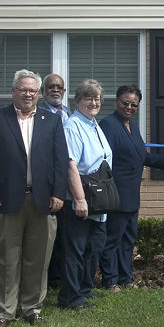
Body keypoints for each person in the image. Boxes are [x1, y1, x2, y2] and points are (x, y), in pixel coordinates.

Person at [0, 70, 70, 327]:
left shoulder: (51, 121)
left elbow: (60, 161)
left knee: (38, 259)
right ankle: (4, 311)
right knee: (6, 258)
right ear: (13, 91)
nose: (28, 94)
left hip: (43, 201)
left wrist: (58, 193)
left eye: (32, 90)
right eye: (23, 89)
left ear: (38, 94)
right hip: (6, 201)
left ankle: (32, 308)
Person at [98, 84, 164, 291]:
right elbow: (104, 161)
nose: (129, 107)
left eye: (134, 105)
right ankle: (110, 280)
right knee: (112, 240)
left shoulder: (133, 127)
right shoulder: (109, 125)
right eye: (125, 103)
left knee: (128, 239)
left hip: (132, 194)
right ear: (117, 102)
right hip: (116, 193)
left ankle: (125, 278)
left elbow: (142, 157)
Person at [58, 79, 112, 310]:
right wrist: (79, 200)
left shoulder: (93, 124)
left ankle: (85, 289)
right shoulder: (73, 126)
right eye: (88, 98)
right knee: (76, 251)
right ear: (78, 101)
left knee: (94, 247)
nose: (94, 102)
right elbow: (71, 165)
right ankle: (70, 297)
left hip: (98, 200)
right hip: (81, 198)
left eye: (97, 98)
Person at [40, 73, 69, 292]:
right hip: (50, 184)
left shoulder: (69, 114)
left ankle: (61, 278)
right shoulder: (39, 115)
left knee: (65, 234)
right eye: (51, 87)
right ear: (43, 91)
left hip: (71, 183)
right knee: (48, 236)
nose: (55, 90)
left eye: (59, 87)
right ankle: (48, 280)